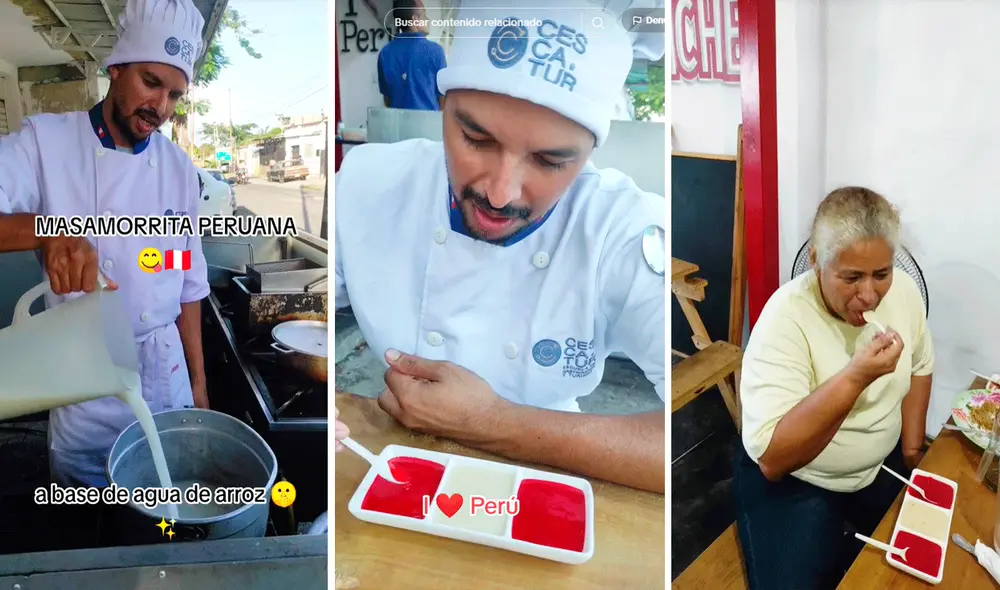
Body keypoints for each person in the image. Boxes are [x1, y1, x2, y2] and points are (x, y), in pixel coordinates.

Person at [336, 1, 665, 493]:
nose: (500, 193)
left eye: (550, 161)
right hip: (392, 473)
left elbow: (701, 436)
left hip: (549, 483)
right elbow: (306, 318)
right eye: (476, 138)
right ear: (442, 107)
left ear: (589, 153)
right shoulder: (369, 184)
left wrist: (492, 422)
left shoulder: (621, 230)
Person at [0, 0, 210, 489]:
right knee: (87, 512)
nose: (161, 107)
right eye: (151, 82)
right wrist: (46, 230)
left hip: (166, 378)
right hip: (86, 381)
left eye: (175, 94)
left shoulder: (179, 169)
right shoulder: (45, 143)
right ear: (115, 69)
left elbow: (188, 282)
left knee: (168, 508)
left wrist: (199, 385)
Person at [734, 187, 934, 589]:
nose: (869, 295)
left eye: (881, 274)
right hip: (799, 479)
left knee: (920, 564)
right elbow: (774, 460)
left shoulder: (905, 294)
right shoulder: (785, 318)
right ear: (816, 262)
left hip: (878, 466)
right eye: (851, 277)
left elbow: (921, 366)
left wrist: (912, 451)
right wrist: (855, 378)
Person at [377, 0, 446, 111]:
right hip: (429, 121)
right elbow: (443, 100)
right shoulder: (435, 52)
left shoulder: (385, 53)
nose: (427, 20)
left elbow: (387, 100)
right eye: (424, 14)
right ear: (415, 19)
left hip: (398, 122)